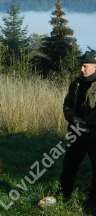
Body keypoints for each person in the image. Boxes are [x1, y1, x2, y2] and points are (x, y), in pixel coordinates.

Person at [60, 51, 96, 204]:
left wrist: (86, 121)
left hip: (94, 132)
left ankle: (93, 200)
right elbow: (67, 104)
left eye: (85, 66)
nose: (82, 69)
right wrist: (73, 118)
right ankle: (64, 195)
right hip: (76, 130)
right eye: (81, 65)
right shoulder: (75, 83)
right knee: (69, 164)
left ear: (95, 67)